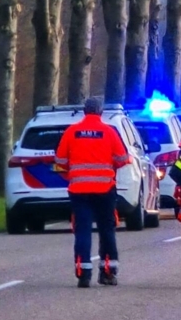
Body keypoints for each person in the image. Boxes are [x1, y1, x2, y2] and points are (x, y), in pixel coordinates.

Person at [54, 97, 131, 289]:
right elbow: (122, 158)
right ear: (101, 112)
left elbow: (60, 163)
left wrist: (72, 177)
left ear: (84, 111)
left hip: (79, 190)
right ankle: (108, 272)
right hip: (105, 189)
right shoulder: (108, 131)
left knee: (82, 230)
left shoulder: (71, 132)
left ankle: (83, 272)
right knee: (107, 230)